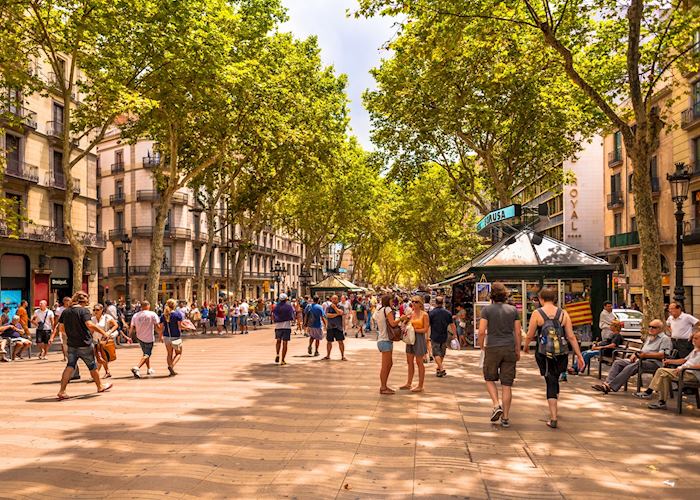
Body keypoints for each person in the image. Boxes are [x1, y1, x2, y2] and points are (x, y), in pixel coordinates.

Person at [524, 287, 584, 429]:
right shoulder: (563, 314)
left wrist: (525, 346)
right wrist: (579, 355)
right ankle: (555, 401)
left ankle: (553, 417)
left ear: (541, 299)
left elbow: (530, 334)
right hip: (561, 353)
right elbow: (570, 336)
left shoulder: (537, 313)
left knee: (550, 380)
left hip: (544, 353)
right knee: (555, 378)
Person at [478, 283, 521, 427]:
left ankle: (496, 405)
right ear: (505, 295)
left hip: (492, 347)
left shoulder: (487, 310)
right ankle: (506, 418)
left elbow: (482, 330)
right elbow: (518, 332)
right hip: (509, 347)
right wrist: (517, 349)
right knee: (507, 384)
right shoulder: (513, 310)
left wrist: (481, 346)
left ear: (492, 295)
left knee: (489, 378)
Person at [56, 291, 112, 400]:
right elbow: (89, 324)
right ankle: (100, 386)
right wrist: (104, 333)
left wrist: (71, 334)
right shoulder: (83, 311)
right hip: (84, 343)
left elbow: (61, 328)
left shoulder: (66, 312)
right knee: (92, 365)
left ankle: (62, 391)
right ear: (83, 300)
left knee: (70, 366)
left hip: (72, 343)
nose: (88, 301)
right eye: (87, 298)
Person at [592, 319, 672, 394]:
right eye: (649, 326)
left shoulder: (664, 339)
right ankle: (607, 384)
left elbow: (662, 355)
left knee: (631, 366)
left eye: (653, 327)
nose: (651, 328)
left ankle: (610, 386)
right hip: (641, 360)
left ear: (660, 329)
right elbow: (643, 351)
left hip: (655, 363)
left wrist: (644, 355)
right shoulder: (649, 337)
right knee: (618, 363)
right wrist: (635, 354)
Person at [640, 328, 700, 410]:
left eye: (696, 338)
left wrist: (685, 367)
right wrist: (670, 361)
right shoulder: (695, 350)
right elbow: (683, 360)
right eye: (693, 338)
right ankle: (662, 402)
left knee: (661, 370)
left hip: (692, 374)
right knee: (664, 375)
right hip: (682, 372)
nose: (693, 340)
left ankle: (649, 391)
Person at [399, 295, 430, 393]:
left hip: (419, 339)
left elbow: (425, 329)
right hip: (410, 339)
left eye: (416, 302)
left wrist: (414, 330)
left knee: (419, 362)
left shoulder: (424, 315)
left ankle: (420, 385)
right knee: (409, 361)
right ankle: (408, 383)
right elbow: (404, 324)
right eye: (412, 301)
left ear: (420, 304)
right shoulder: (410, 313)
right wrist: (404, 322)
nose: (414, 303)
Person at [375, 295, 401, 394]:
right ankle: (383, 387)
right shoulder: (388, 309)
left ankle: (384, 385)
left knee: (389, 364)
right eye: (391, 300)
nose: (392, 302)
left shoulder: (379, 310)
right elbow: (393, 323)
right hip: (385, 340)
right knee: (386, 366)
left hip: (381, 340)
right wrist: (401, 319)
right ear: (388, 301)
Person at [130, 300, 161, 378]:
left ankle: (149, 368)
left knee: (145, 353)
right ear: (148, 306)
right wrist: (161, 334)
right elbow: (157, 326)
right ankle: (137, 367)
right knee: (147, 354)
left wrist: (129, 337)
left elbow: (132, 327)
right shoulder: (152, 314)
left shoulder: (136, 315)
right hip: (149, 337)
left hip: (139, 337)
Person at [91, 304, 119, 378]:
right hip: (95, 340)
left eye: (97, 310)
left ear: (102, 310)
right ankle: (107, 372)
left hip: (104, 340)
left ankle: (96, 374)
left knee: (100, 357)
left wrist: (109, 332)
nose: (95, 311)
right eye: (94, 310)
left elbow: (116, 325)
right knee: (101, 357)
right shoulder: (92, 319)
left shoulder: (107, 317)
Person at [429, 296, 453, 378]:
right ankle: (440, 369)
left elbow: (428, 325)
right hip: (444, 336)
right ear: (443, 303)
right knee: (442, 354)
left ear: (435, 302)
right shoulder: (448, 313)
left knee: (436, 353)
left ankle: (440, 368)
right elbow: (452, 325)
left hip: (434, 336)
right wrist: (455, 335)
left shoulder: (431, 313)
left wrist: (426, 335)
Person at [160, 298, 184, 376]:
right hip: (176, 336)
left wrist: (160, 336)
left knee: (169, 354)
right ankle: (171, 366)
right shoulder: (177, 314)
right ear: (174, 305)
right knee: (178, 353)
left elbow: (161, 327)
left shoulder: (163, 315)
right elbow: (180, 326)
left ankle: (171, 369)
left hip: (166, 336)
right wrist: (187, 327)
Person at [272, 293, 295, 365]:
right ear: (286, 299)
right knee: (285, 343)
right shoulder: (289, 307)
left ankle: (277, 354)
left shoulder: (276, 307)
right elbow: (292, 316)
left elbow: (272, 315)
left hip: (278, 326)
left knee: (278, 341)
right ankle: (282, 360)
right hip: (286, 326)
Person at [323, 295, 347, 361]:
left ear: (338, 299)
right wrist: (337, 314)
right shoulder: (328, 307)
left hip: (338, 327)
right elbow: (327, 315)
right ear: (331, 299)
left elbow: (341, 313)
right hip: (330, 327)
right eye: (333, 299)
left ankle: (342, 356)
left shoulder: (341, 306)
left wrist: (335, 308)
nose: (334, 300)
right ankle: (328, 356)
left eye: (335, 299)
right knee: (329, 342)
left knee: (341, 342)